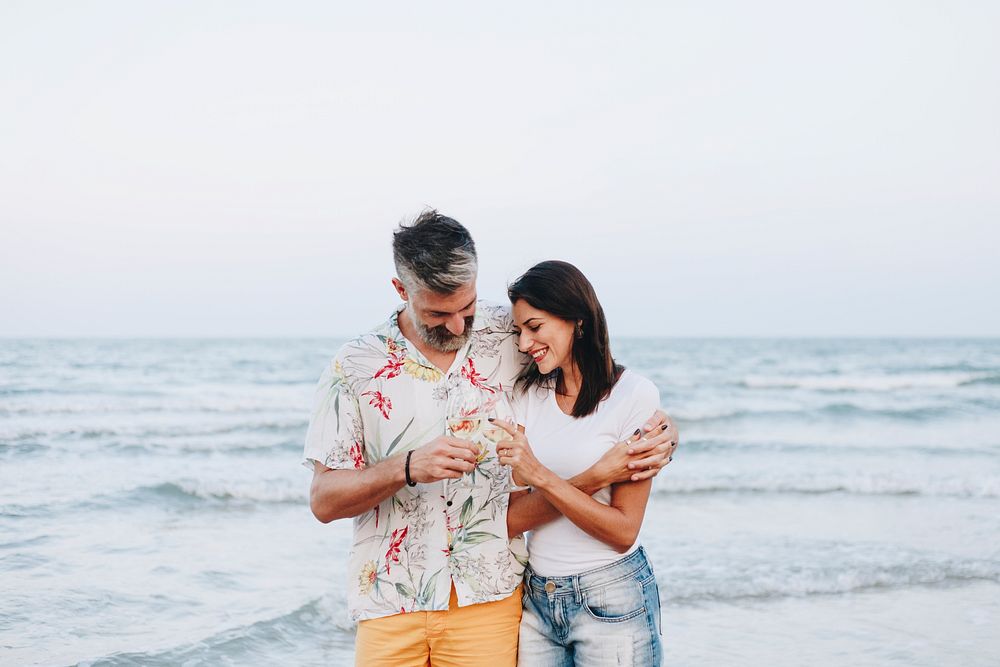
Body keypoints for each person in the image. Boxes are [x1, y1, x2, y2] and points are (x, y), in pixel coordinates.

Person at [303, 211, 677, 667]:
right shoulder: (353, 367)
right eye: (439, 313)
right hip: (390, 600)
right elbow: (324, 500)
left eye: (468, 307)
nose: (459, 326)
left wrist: (662, 430)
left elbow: (592, 372)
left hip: (491, 596)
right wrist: (407, 467)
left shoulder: (511, 333)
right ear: (402, 291)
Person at [495, 260, 668, 666]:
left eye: (534, 327)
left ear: (577, 319)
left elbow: (622, 531)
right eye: (519, 331)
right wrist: (596, 476)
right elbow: (511, 518)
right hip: (537, 601)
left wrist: (542, 477)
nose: (524, 343)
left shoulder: (634, 397)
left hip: (612, 595)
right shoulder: (526, 396)